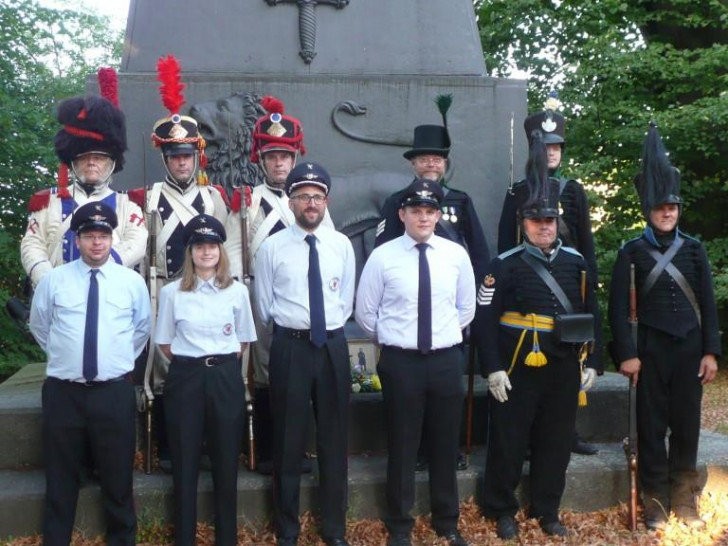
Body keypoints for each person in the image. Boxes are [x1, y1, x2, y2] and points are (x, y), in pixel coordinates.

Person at [474, 132, 601, 540]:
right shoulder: (502, 265)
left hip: (563, 364)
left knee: (555, 441)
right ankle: (501, 509)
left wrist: (595, 362)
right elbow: (485, 317)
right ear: (524, 223)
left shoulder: (577, 262)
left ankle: (548, 509)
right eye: (535, 221)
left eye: (549, 221)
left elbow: (590, 311)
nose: (543, 227)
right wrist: (492, 368)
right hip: (516, 364)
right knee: (509, 442)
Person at [608, 123, 720, 530]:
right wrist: (627, 354)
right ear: (649, 211)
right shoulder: (631, 252)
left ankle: (683, 500)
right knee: (652, 428)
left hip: (689, 348)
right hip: (650, 348)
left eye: (672, 207)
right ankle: (654, 501)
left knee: (687, 425)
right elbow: (617, 310)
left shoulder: (693, 249)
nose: (668, 212)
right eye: (660, 208)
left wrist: (710, 351)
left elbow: (707, 303)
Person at [356, 178, 476, 546]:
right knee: (403, 444)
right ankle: (399, 524)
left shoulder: (455, 255)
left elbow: (466, 308)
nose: (423, 217)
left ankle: (447, 521)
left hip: (444, 361)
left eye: (430, 211)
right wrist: (398, 338)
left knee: (444, 444)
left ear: (438, 215)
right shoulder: (383, 255)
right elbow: (365, 312)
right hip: (401, 363)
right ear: (402, 214)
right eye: (416, 211)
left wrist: (439, 336)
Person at [375, 97, 489, 471]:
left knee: (447, 391)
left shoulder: (460, 200)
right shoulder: (397, 202)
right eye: (423, 158)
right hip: (408, 315)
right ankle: (419, 451)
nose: (430, 163)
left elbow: (477, 253)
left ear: (445, 163)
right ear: (412, 163)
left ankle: (448, 449)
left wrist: (469, 307)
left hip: (448, 310)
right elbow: (384, 252)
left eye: (437, 158)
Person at [127, 55, 229, 471]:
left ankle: (205, 445)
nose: (181, 162)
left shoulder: (214, 198)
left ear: (196, 156)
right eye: (174, 156)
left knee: (200, 368)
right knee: (165, 372)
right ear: (165, 158)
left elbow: (221, 249)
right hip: (164, 289)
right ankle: (170, 447)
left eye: (186, 156)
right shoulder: (146, 198)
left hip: (204, 292)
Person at [29, 202, 151, 546]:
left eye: (103, 235)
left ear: (112, 238)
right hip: (63, 394)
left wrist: (114, 362)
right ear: (77, 240)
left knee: (117, 481)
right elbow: (40, 327)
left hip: (112, 394)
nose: (97, 243)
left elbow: (141, 330)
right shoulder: (54, 281)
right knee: (60, 480)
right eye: (89, 236)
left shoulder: (131, 282)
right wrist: (66, 358)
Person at [225, 95, 333, 474]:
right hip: (259, 297)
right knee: (265, 372)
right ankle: (271, 451)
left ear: (295, 157)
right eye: (272, 157)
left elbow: (330, 249)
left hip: (301, 302)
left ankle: (300, 448)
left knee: (298, 376)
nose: (279, 163)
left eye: (285, 156)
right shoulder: (247, 199)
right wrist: (240, 294)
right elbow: (235, 252)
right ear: (262, 159)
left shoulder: (312, 200)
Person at [254, 162, 355, 546]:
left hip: (331, 345)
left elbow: (344, 300)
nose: (310, 204)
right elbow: (263, 306)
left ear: (325, 201)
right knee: (287, 441)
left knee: (334, 439)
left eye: (316, 197)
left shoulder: (341, 245)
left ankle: (334, 530)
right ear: (290, 202)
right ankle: (288, 531)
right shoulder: (272, 248)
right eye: (302, 197)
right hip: (290, 348)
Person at [497, 91, 599, 456]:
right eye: (545, 147)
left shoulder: (574, 191)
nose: (552, 153)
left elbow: (584, 242)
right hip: (528, 287)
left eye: (557, 147)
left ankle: (567, 435)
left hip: (568, 287)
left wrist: (590, 284)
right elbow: (505, 243)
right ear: (533, 149)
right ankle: (526, 440)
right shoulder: (518, 191)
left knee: (568, 364)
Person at [155, 214, 255, 546]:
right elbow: (166, 343)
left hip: (225, 377)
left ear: (220, 250)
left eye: (212, 245)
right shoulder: (171, 293)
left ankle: (225, 538)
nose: (206, 252)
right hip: (185, 378)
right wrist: (195, 362)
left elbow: (243, 341)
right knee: (184, 462)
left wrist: (216, 364)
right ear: (191, 252)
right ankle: (184, 538)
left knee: (226, 461)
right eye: (199, 246)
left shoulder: (237, 291)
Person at [21, 73, 147, 288]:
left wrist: (102, 270)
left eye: (98, 158)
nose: (91, 163)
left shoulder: (128, 205)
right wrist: (47, 279)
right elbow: (32, 244)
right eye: (84, 158)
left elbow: (136, 243)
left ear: (111, 164)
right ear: (72, 163)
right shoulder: (48, 201)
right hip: (57, 290)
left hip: (110, 289)